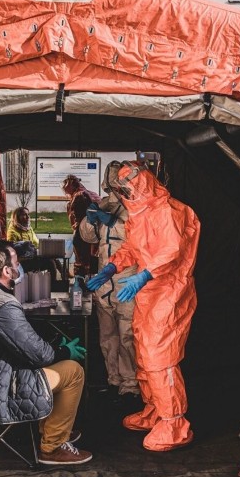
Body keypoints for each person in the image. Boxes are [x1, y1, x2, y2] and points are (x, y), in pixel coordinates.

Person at [87, 161, 200, 452]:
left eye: (128, 188)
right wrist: (111, 268)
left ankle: (174, 422)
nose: (125, 193)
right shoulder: (140, 213)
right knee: (143, 354)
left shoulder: (167, 210)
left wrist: (146, 274)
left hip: (169, 293)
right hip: (149, 293)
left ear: (143, 183)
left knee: (160, 358)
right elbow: (131, 247)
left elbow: (171, 251)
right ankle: (154, 411)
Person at [0, 242, 93, 465]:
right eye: (17, 263)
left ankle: (53, 429)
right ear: (7, 271)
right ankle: (53, 445)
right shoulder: (3, 305)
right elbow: (40, 356)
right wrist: (64, 350)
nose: (20, 266)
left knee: (49, 365)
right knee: (73, 371)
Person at [78, 162, 140, 401]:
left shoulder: (135, 209)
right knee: (108, 335)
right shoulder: (105, 204)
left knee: (127, 336)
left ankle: (131, 383)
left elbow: (140, 238)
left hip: (127, 281)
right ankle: (113, 378)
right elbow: (87, 236)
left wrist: (114, 222)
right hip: (104, 281)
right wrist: (91, 218)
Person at [61, 174, 101, 276]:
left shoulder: (79, 196)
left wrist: (76, 226)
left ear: (72, 186)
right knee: (92, 257)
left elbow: (79, 216)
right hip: (94, 231)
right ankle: (91, 281)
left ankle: (81, 281)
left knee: (82, 260)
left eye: (66, 186)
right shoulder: (88, 194)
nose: (64, 189)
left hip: (82, 232)